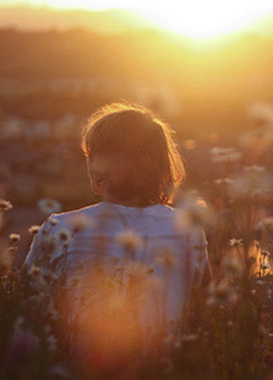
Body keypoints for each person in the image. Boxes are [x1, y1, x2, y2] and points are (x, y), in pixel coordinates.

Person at [24, 102, 210, 367]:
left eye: (92, 154)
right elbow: (204, 313)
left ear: (102, 166)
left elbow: (26, 310)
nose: (87, 162)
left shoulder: (60, 229)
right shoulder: (188, 231)